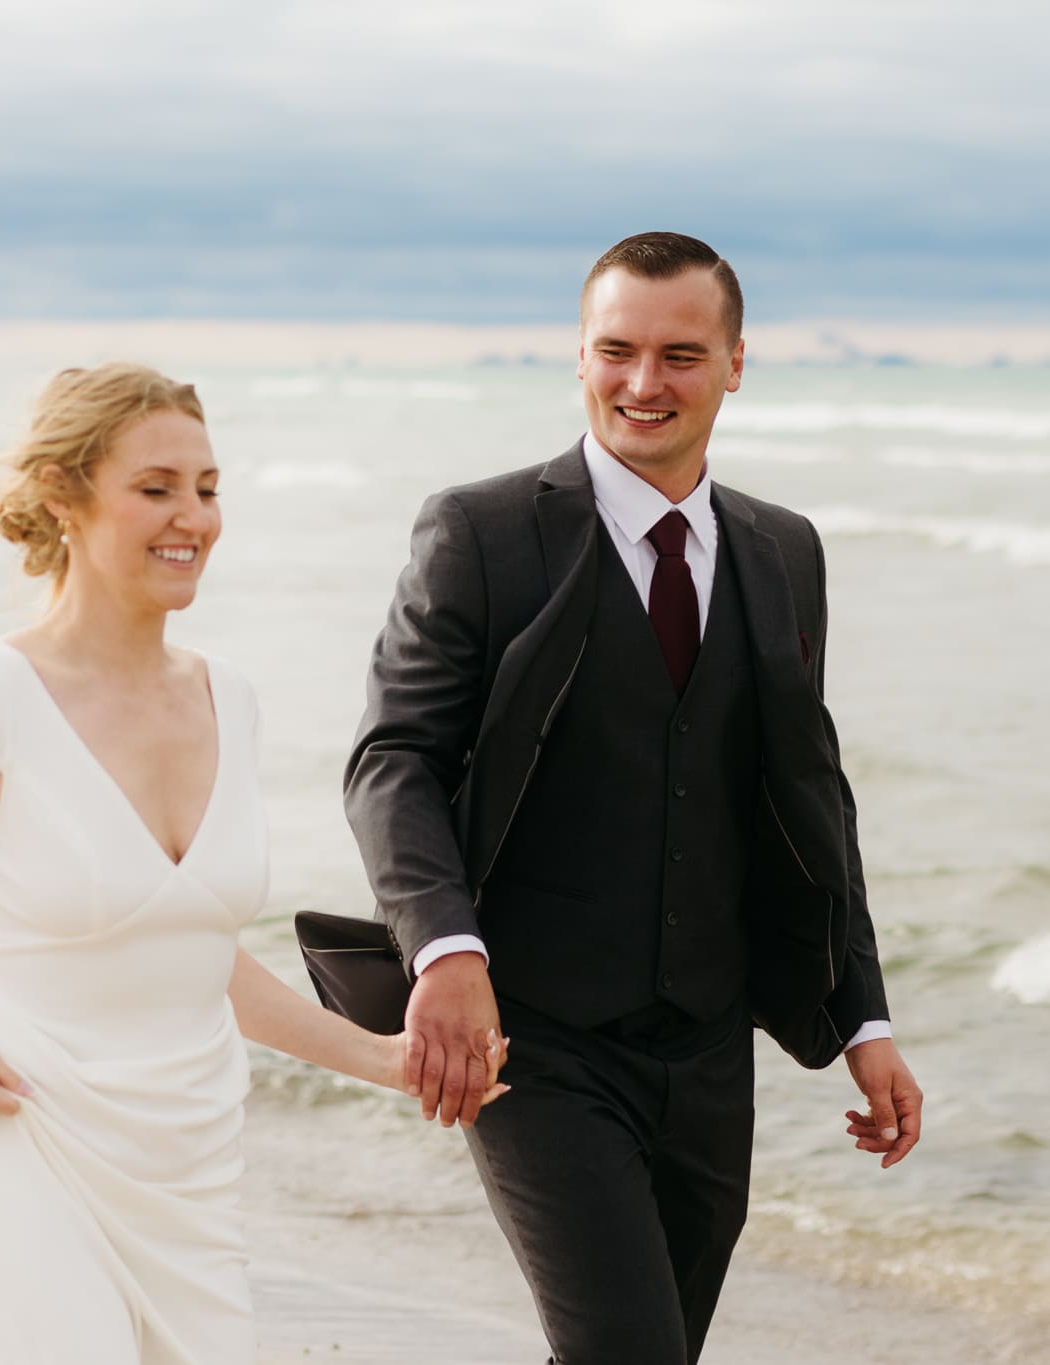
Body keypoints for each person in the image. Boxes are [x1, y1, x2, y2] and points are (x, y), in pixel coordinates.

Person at [0, 362, 503, 1365]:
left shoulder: (230, 700)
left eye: (207, 487)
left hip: (186, 1168)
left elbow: (190, 955)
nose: (193, 517)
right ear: (63, 495)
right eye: (155, 487)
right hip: (19, 1130)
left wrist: (381, 1061)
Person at [344, 232, 923, 1363]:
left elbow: (811, 798)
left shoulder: (782, 551)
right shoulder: (481, 533)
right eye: (616, 351)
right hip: (533, 1038)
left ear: (735, 364)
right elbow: (392, 759)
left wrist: (862, 1019)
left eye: (679, 355)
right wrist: (445, 951)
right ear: (579, 357)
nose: (643, 384)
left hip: (709, 1047)